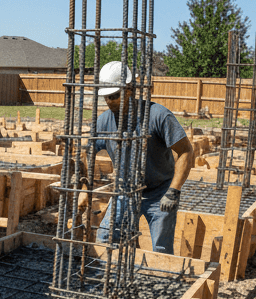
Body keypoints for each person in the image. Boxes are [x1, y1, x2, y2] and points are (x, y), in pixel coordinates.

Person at [78, 61, 193, 254]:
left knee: (160, 249)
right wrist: (85, 187)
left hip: (159, 192)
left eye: (114, 96)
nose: (109, 101)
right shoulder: (104, 120)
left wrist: (174, 191)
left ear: (130, 89)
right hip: (125, 191)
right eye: (106, 97)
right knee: (106, 237)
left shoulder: (158, 116)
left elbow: (186, 151)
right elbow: (87, 152)